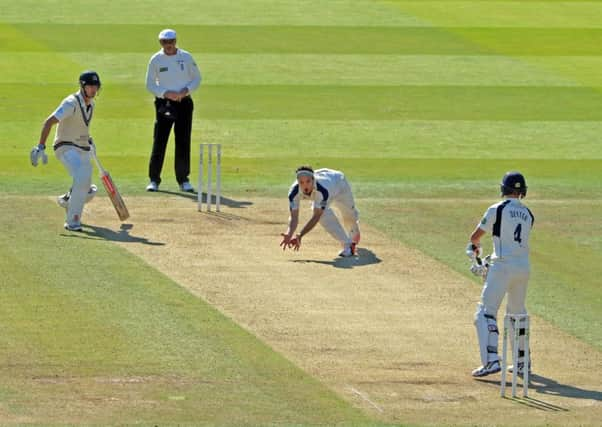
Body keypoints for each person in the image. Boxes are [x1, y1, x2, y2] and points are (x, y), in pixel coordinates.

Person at [466, 171, 534, 377]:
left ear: (503, 188)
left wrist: (475, 252)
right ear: (522, 191)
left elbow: (475, 237)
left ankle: (492, 361)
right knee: (517, 313)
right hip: (523, 268)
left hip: (503, 266)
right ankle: (523, 363)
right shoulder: (529, 214)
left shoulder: (497, 208)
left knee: (485, 312)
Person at [30, 71, 102, 231]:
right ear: (83, 86)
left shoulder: (91, 105)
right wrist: (40, 146)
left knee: (88, 190)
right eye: (90, 86)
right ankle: (72, 222)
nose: (93, 90)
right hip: (65, 147)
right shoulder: (71, 103)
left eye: (96, 87)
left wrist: (89, 140)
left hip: (82, 148)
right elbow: (48, 122)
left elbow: (80, 126)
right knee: (83, 175)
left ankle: (68, 200)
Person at [145, 28, 201, 193]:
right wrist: (166, 93)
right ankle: (154, 180)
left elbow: (197, 78)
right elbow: (150, 84)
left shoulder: (186, 57)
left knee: (183, 141)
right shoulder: (156, 60)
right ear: (160, 43)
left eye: (171, 42)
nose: (168, 45)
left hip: (184, 103)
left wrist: (185, 91)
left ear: (175, 41)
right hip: (164, 104)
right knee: (160, 141)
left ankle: (183, 180)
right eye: (164, 42)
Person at [280, 166, 361, 257]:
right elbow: (294, 217)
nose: (305, 185)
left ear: (313, 180)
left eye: (308, 181)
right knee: (323, 214)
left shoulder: (322, 189)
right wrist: (289, 233)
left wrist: (300, 235)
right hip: (328, 183)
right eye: (301, 182)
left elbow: (316, 216)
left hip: (339, 184)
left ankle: (354, 230)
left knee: (349, 215)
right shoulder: (293, 192)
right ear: (298, 182)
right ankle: (348, 245)